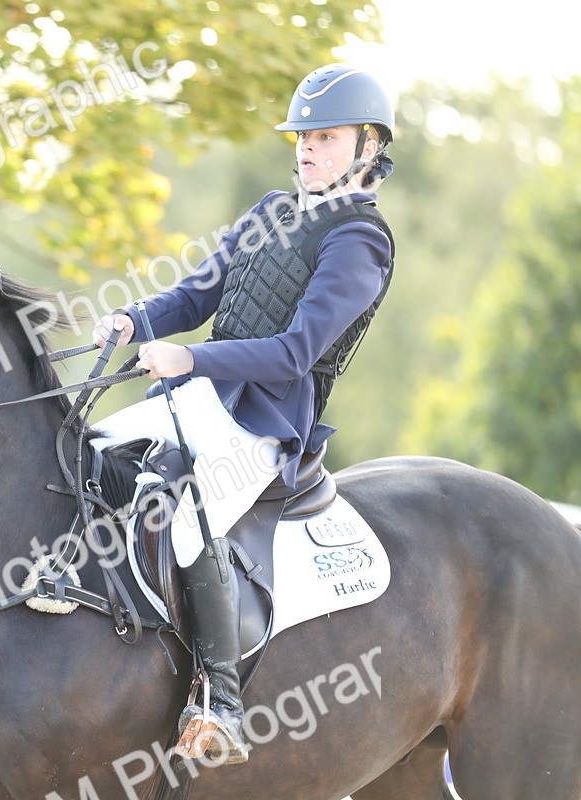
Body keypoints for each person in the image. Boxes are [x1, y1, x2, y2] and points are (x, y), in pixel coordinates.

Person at [91, 63, 396, 764]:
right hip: (194, 402)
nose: (307, 147)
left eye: (324, 136)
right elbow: (196, 298)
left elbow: (295, 352)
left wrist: (191, 360)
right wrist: (132, 320)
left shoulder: (360, 242)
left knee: (188, 515)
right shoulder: (270, 211)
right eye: (301, 136)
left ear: (369, 146)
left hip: (268, 424)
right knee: (86, 459)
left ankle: (220, 699)